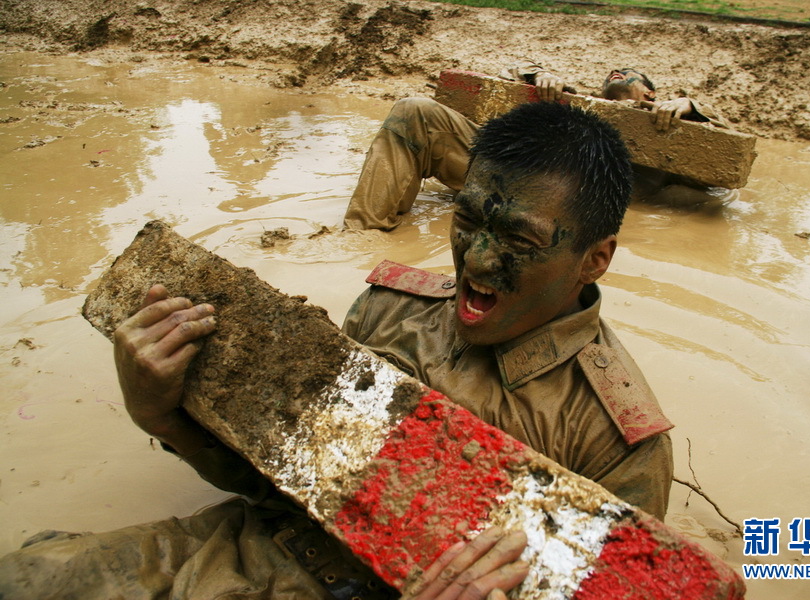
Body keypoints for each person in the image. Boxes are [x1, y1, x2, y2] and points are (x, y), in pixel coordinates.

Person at [0, 103, 673, 599]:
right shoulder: (392, 307)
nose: (479, 258)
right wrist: (163, 415)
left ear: (596, 259)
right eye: (467, 221)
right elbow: (280, 477)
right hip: (242, 552)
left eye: (520, 240)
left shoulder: (615, 443)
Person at [343, 62, 731, 230]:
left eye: (627, 75)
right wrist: (538, 76)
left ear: (651, 92)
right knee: (415, 110)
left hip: (575, 204)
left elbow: (727, 169)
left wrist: (695, 109)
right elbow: (508, 80)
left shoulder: (677, 126)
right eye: (610, 77)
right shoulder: (579, 107)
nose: (616, 73)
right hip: (516, 174)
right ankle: (364, 232)